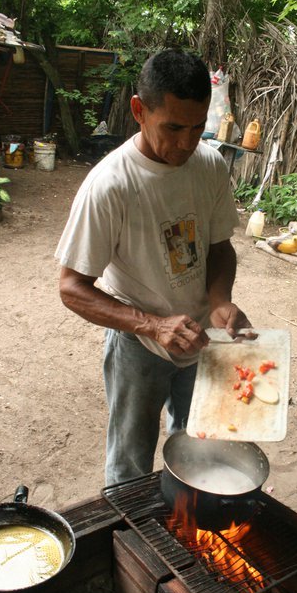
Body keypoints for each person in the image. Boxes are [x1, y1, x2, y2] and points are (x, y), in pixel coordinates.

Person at [55, 48, 252, 486]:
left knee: (200, 449)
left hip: (202, 340)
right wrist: (153, 325)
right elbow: (71, 287)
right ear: (139, 111)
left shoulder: (209, 165)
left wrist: (220, 301)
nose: (187, 142)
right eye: (174, 127)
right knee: (130, 465)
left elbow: (220, 247)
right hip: (137, 349)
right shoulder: (110, 185)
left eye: (198, 126)